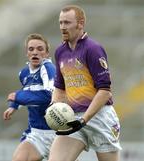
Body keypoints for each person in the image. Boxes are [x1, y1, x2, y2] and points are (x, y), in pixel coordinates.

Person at [48, 5, 122, 161]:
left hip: (100, 118)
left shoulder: (93, 49)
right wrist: (53, 107)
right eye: (60, 23)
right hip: (73, 119)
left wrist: (84, 120)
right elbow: (60, 88)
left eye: (67, 23)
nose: (62, 27)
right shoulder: (60, 52)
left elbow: (104, 91)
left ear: (80, 24)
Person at [3, 33, 56, 161]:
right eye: (31, 49)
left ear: (47, 53)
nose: (35, 52)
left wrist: (18, 96)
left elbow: (50, 97)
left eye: (40, 49)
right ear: (26, 53)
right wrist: (14, 105)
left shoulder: (48, 68)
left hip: (58, 134)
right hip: (36, 133)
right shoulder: (24, 73)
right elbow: (27, 91)